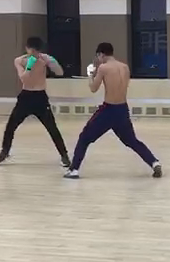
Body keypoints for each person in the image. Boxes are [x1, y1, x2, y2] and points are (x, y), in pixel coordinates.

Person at [64, 42, 162, 179]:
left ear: (101, 54)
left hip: (108, 110)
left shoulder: (103, 68)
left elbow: (93, 88)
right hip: (122, 109)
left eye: (98, 56)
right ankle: (154, 162)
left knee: (84, 137)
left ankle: (74, 169)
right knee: (132, 141)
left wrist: (90, 74)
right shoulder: (125, 67)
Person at [0, 37, 70, 167]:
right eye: (31, 51)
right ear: (27, 49)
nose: (34, 54)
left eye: (36, 51)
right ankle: (4, 152)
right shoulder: (20, 61)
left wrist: (52, 62)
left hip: (40, 97)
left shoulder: (44, 59)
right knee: (11, 125)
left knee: (52, 127)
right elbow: (24, 79)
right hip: (26, 97)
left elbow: (60, 72)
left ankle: (64, 155)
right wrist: (29, 66)